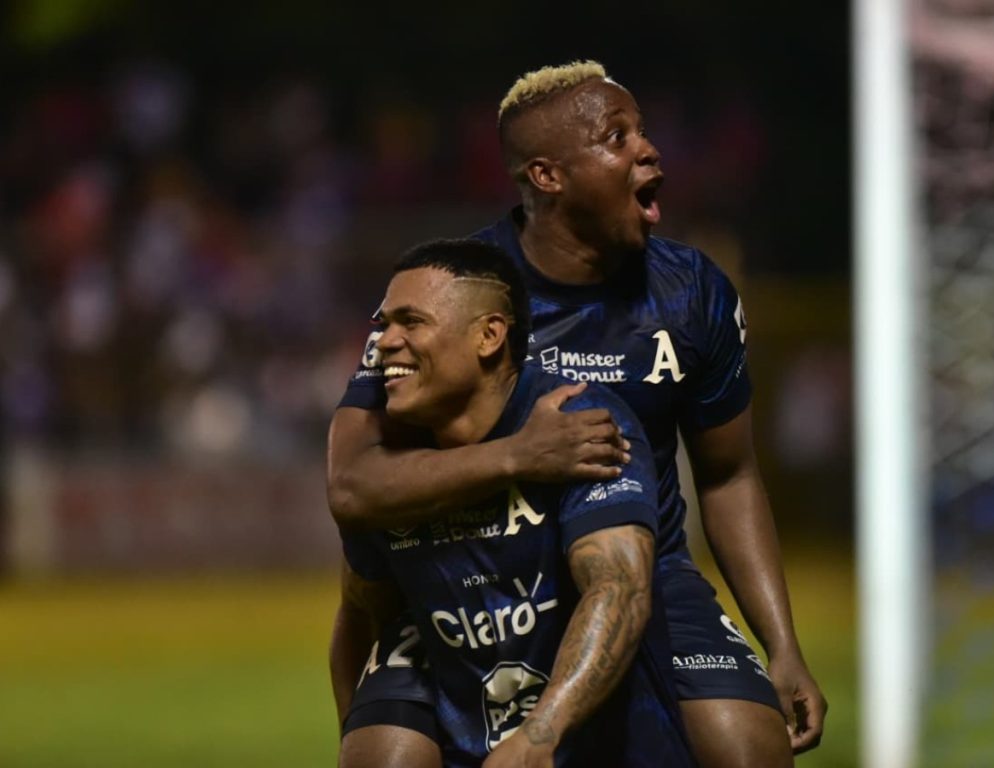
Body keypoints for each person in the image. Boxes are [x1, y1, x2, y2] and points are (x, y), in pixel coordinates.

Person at [329, 60, 827, 768]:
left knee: (746, 746)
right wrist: (520, 456)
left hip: (633, 561)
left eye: (643, 133)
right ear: (547, 176)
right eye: (617, 138)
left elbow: (728, 475)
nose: (648, 151)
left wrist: (783, 646)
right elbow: (352, 484)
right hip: (464, 565)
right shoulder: (456, 296)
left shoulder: (692, 294)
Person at [339, 237, 690, 767]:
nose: (384, 342)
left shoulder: (583, 423)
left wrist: (539, 737)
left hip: (586, 721)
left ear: (488, 336)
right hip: (453, 699)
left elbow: (617, 587)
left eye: (410, 322)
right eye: (383, 324)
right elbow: (360, 609)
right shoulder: (386, 464)